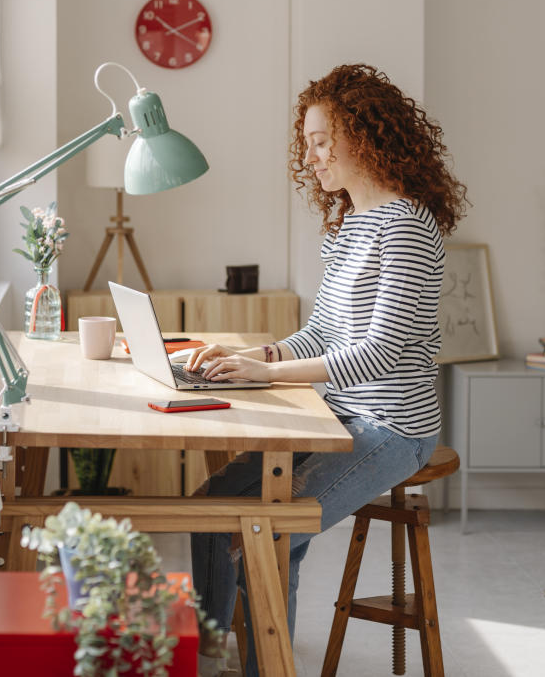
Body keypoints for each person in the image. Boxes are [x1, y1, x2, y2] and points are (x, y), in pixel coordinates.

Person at [187, 63, 468, 675]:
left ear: (364, 138)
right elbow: (323, 335)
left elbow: (378, 356)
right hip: (337, 413)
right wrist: (252, 358)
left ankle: (270, 665)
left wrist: (263, 377)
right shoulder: (346, 227)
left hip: (393, 428)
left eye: (321, 142)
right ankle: (211, 653)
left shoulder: (410, 229)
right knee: (214, 504)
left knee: (271, 531)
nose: (311, 158)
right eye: (307, 144)